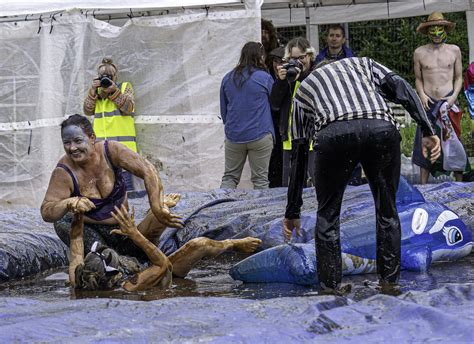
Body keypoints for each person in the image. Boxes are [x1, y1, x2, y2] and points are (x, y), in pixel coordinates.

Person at [282, 57, 440, 294]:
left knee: (328, 215)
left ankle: (330, 287)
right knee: (387, 209)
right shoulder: (362, 64)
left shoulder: (304, 88)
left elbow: (299, 154)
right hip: (380, 128)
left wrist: (293, 211)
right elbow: (401, 88)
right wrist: (427, 129)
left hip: (334, 133)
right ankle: (389, 283)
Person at [40, 114, 183, 259]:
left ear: (92, 138)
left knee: (162, 213)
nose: (72, 148)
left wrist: (156, 207)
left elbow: (148, 170)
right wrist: (67, 203)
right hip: (91, 233)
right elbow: (46, 211)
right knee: (62, 222)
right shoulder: (63, 172)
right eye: (67, 143)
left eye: (78, 141)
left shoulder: (110, 151)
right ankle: (106, 259)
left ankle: (161, 205)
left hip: (124, 229)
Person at [69, 204, 262, 291]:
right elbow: (162, 265)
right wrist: (134, 234)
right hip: (164, 272)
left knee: (158, 211)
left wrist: (77, 214)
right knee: (199, 244)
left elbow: (76, 244)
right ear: (114, 273)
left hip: (143, 264)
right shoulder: (130, 286)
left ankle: (163, 206)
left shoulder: (78, 277)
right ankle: (234, 244)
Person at [413, 12, 465, 183]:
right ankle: (423, 186)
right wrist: (421, 95)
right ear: (427, 30)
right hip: (428, 104)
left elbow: (459, 77)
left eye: (439, 29)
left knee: (454, 144)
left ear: (445, 30)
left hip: (448, 103)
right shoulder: (419, 52)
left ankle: (460, 184)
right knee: (426, 143)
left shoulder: (454, 50)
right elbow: (418, 79)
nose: (436, 33)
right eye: (432, 29)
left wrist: (453, 97)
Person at [220, 42, 274, 189]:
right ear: (260, 56)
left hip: (234, 137)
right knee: (260, 180)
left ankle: (221, 209)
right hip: (260, 134)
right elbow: (274, 104)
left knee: (229, 178)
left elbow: (224, 112)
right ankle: (261, 212)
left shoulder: (227, 78)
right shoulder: (264, 78)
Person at [83, 57, 137, 190]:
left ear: (114, 77)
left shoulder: (124, 87)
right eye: (102, 77)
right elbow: (87, 110)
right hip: (102, 152)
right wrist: (93, 91)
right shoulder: (97, 94)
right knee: (107, 191)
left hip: (123, 150)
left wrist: (114, 91)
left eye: (109, 77)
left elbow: (128, 108)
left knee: (126, 191)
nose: (106, 80)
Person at [270, 37, 317, 187]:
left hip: (313, 141)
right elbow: (275, 104)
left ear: (309, 56)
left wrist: (300, 76)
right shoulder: (286, 77)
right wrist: (281, 81)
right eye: (292, 59)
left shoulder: (317, 73)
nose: (298, 62)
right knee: (290, 187)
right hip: (290, 141)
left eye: (301, 58)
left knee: (315, 184)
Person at [268, 46, 285, 187]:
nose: (277, 65)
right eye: (275, 61)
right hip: (273, 125)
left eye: (280, 61)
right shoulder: (268, 77)